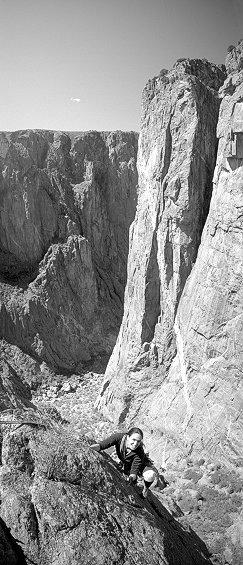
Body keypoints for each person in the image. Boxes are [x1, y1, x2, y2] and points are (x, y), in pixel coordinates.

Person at [91, 427, 156, 499]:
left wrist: (131, 478)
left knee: (150, 475)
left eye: (138, 441)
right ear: (128, 437)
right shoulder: (118, 438)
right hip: (126, 463)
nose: (135, 444)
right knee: (132, 481)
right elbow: (102, 445)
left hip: (141, 465)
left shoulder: (139, 451)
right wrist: (88, 448)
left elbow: (135, 469)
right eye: (134, 440)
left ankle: (145, 489)